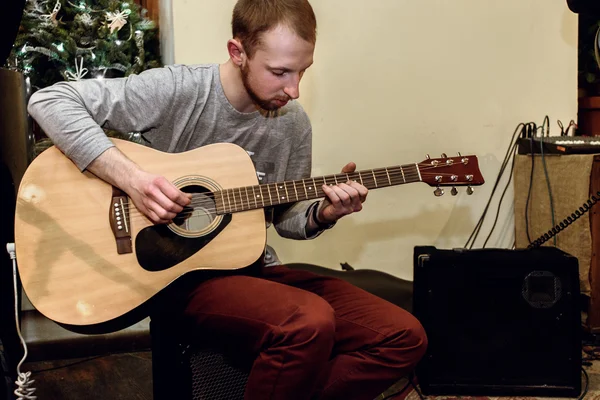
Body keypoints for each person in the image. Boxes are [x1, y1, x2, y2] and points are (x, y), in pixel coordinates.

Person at [27, 0, 427, 398]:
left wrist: (322, 213)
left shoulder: (292, 124)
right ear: (238, 53)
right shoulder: (180, 89)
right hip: (175, 278)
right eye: (279, 72)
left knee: (403, 336)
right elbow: (49, 101)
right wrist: (133, 180)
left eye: (303, 71)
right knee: (308, 321)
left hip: (249, 268)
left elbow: (284, 217)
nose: (294, 89)